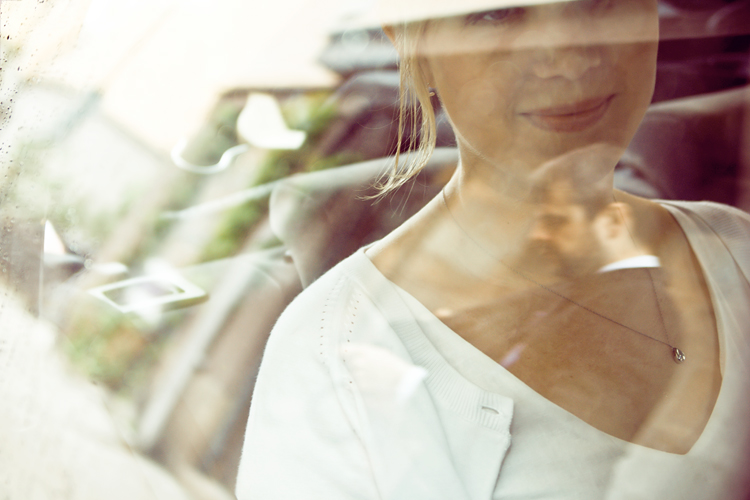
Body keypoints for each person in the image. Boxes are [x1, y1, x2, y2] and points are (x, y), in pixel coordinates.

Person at [236, 1, 750, 498]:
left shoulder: (734, 243)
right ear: (413, 39)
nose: (568, 55)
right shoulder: (334, 357)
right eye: (497, 13)